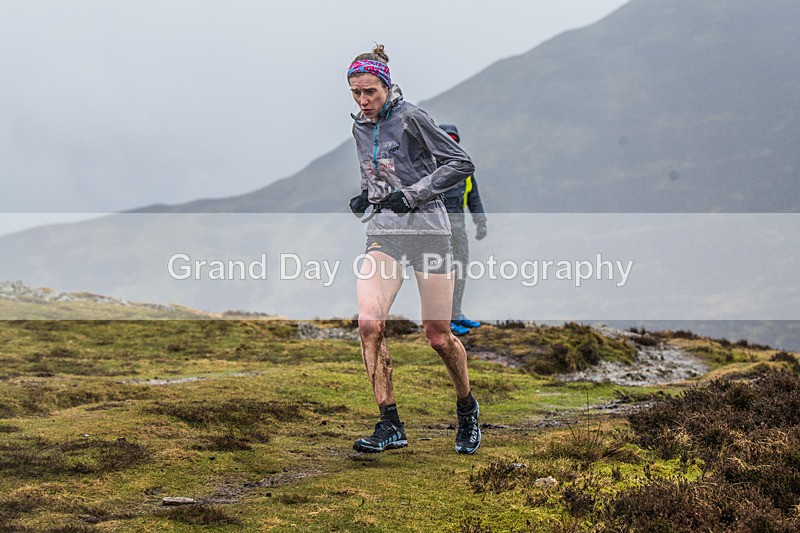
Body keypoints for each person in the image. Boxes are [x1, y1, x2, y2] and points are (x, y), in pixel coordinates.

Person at [347, 44, 481, 454]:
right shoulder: (359, 128)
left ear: (385, 85)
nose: (363, 101)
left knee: (438, 337)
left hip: (429, 234)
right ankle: (390, 424)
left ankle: (467, 409)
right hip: (385, 232)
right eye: (356, 93)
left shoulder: (413, 118)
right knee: (369, 323)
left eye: (370, 92)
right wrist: (367, 197)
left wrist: (415, 194)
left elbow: (460, 162)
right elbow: (383, 177)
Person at [438, 124, 488, 336]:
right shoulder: (430, 169)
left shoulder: (464, 169)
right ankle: (443, 321)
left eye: (453, 140)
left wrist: (481, 222)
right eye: (446, 140)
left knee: (460, 270)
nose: (450, 144)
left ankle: (456, 314)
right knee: (442, 274)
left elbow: (473, 197)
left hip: (459, 228)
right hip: (437, 230)